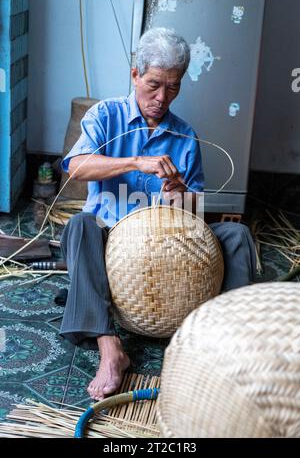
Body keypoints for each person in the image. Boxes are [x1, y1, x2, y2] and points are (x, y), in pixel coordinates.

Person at [60, 28, 256, 401]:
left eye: (173, 87)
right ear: (135, 74)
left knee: (237, 236)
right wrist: (134, 162)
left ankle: (226, 344)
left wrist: (181, 194)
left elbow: (195, 216)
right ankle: (109, 346)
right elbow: (76, 166)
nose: (161, 98)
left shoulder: (185, 136)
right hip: (112, 249)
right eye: (153, 84)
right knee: (80, 225)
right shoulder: (106, 115)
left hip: (170, 254)